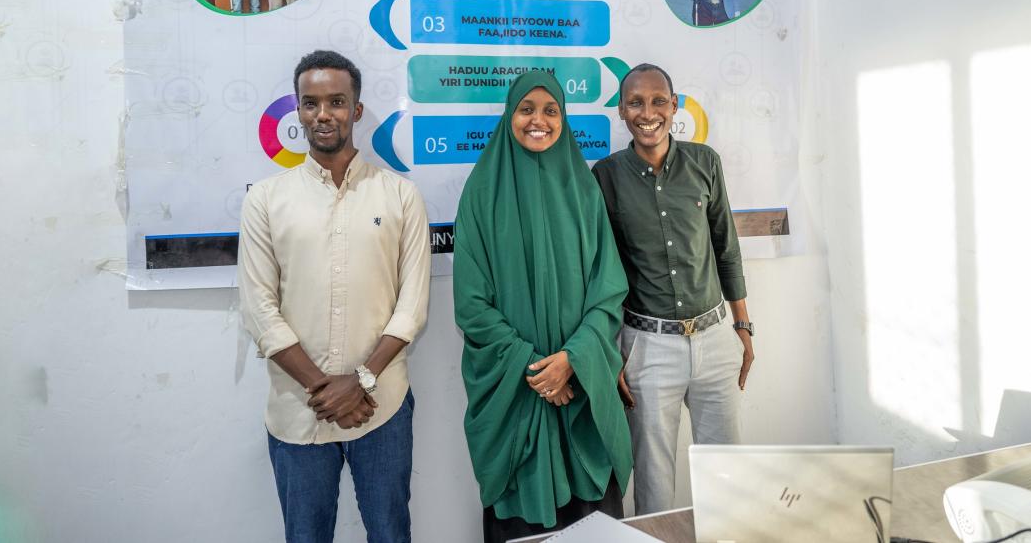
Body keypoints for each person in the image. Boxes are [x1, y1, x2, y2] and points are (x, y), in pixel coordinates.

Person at [238, 49, 431, 543]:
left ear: (357, 110)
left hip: (382, 407)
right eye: (311, 103)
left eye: (337, 102)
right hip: (298, 412)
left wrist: (361, 381)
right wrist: (328, 392)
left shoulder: (400, 195)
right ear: (297, 111)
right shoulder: (265, 199)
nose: (324, 115)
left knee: (391, 534)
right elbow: (260, 311)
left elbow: (411, 308)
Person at [453, 71, 633, 543]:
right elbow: (472, 304)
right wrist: (538, 371)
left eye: (551, 110)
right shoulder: (480, 194)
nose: (539, 120)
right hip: (516, 397)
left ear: (564, 118)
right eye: (526, 109)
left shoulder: (584, 189)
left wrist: (574, 360)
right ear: (509, 116)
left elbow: (608, 288)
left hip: (582, 393)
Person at [591, 63, 755, 515]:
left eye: (659, 100)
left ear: (674, 105)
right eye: (637, 102)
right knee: (654, 484)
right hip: (647, 347)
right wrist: (611, 353)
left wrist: (743, 326)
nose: (649, 112)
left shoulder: (705, 163)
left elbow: (727, 248)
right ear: (622, 110)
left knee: (727, 476)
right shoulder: (604, 176)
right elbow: (601, 276)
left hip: (715, 336)